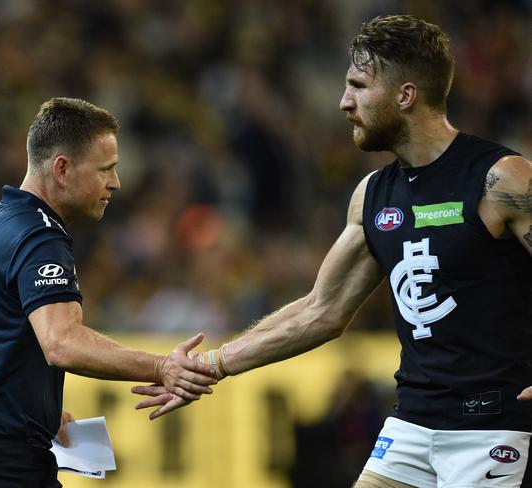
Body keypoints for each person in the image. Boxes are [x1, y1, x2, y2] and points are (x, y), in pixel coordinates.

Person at [132, 15, 532, 488]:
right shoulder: (373, 196)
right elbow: (321, 310)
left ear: (405, 96)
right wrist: (212, 365)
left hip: (493, 427)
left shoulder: (502, 179)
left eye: (359, 86)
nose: (344, 102)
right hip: (412, 424)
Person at [0, 97, 217, 488]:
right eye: (105, 169)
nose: (115, 183)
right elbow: (62, 343)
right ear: (62, 169)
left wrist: (33, 409)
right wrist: (161, 367)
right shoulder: (41, 236)